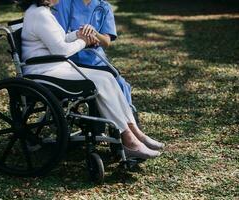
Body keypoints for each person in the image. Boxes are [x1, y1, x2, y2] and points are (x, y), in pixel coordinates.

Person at [19, 0, 164, 160]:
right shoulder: (40, 14)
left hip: (54, 68)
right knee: (99, 81)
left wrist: (78, 34)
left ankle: (134, 132)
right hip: (44, 71)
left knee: (108, 77)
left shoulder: (42, 12)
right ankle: (129, 140)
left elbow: (60, 39)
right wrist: (84, 41)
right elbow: (61, 50)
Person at [53, 0, 133, 105]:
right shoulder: (64, 3)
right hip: (72, 62)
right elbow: (60, 36)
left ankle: (128, 118)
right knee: (105, 82)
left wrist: (94, 32)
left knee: (121, 84)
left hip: (96, 60)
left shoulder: (104, 6)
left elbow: (106, 41)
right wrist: (80, 35)